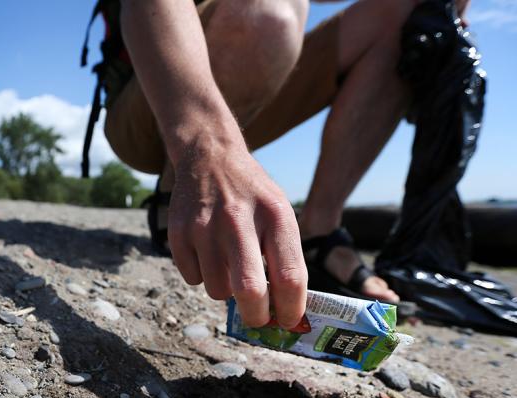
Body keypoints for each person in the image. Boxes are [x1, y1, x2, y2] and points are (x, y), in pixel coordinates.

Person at [89, 0, 470, 328]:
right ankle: (178, 192)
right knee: (270, 10)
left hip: (248, 82)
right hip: (152, 98)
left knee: (406, 14)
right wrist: (206, 146)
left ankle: (319, 232)